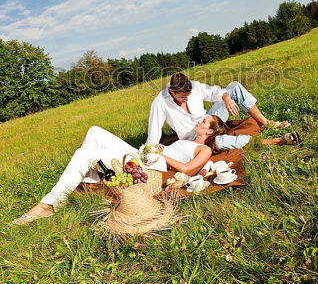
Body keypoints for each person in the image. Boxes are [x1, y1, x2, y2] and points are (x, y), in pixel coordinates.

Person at [13, 118, 299, 225]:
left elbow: (187, 168)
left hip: (151, 166)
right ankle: (92, 176)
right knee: (94, 130)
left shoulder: (205, 150)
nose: (198, 121)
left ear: (211, 132)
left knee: (84, 153)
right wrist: (158, 147)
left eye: (204, 122)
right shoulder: (185, 139)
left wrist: (162, 155)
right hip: (144, 156)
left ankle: (49, 204)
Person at [146, 72, 290, 146]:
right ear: (172, 91)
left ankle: (266, 123)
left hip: (208, 120)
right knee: (218, 142)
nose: (187, 99)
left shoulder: (194, 86)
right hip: (195, 135)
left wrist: (226, 99)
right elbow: (153, 134)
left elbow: (215, 92)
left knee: (234, 87)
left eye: (189, 96)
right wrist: (149, 152)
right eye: (183, 98)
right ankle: (274, 141)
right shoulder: (160, 103)